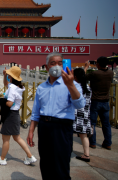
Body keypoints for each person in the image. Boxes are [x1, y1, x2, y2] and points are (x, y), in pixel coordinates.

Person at [27, 52, 85, 180]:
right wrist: (31, 130)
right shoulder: (41, 88)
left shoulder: (72, 85)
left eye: (60, 63)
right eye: (53, 63)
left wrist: (70, 85)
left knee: (61, 166)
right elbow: (36, 111)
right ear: (47, 67)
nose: (56, 66)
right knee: (46, 164)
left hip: (62, 128)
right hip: (44, 127)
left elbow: (80, 104)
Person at [0, 66, 37, 166]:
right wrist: (4, 75)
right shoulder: (18, 87)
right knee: (17, 138)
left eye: (8, 74)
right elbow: (6, 84)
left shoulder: (12, 88)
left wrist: (0, 100)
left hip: (10, 116)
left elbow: (9, 103)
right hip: (15, 115)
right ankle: (30, 156)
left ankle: (2, 159)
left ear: (11, 76)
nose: (7, 76)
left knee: (6, 139)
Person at [84, 57, 114, 150]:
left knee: (92, 123)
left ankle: (92, 142)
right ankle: (108, 143)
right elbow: (105, 69)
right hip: (105, 101)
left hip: (95, 101)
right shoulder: (111, 73)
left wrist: (86, 67)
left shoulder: (95, 74)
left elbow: (83, 77)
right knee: (106, 124)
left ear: (99, 64)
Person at [73, 68, 92, 162]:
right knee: (84, 135)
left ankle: (66, 151)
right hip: (85, 113)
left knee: (68, 133)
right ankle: (86, 155)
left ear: (75, 77)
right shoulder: (88, 87)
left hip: (75, 113)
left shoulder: (74, 87)